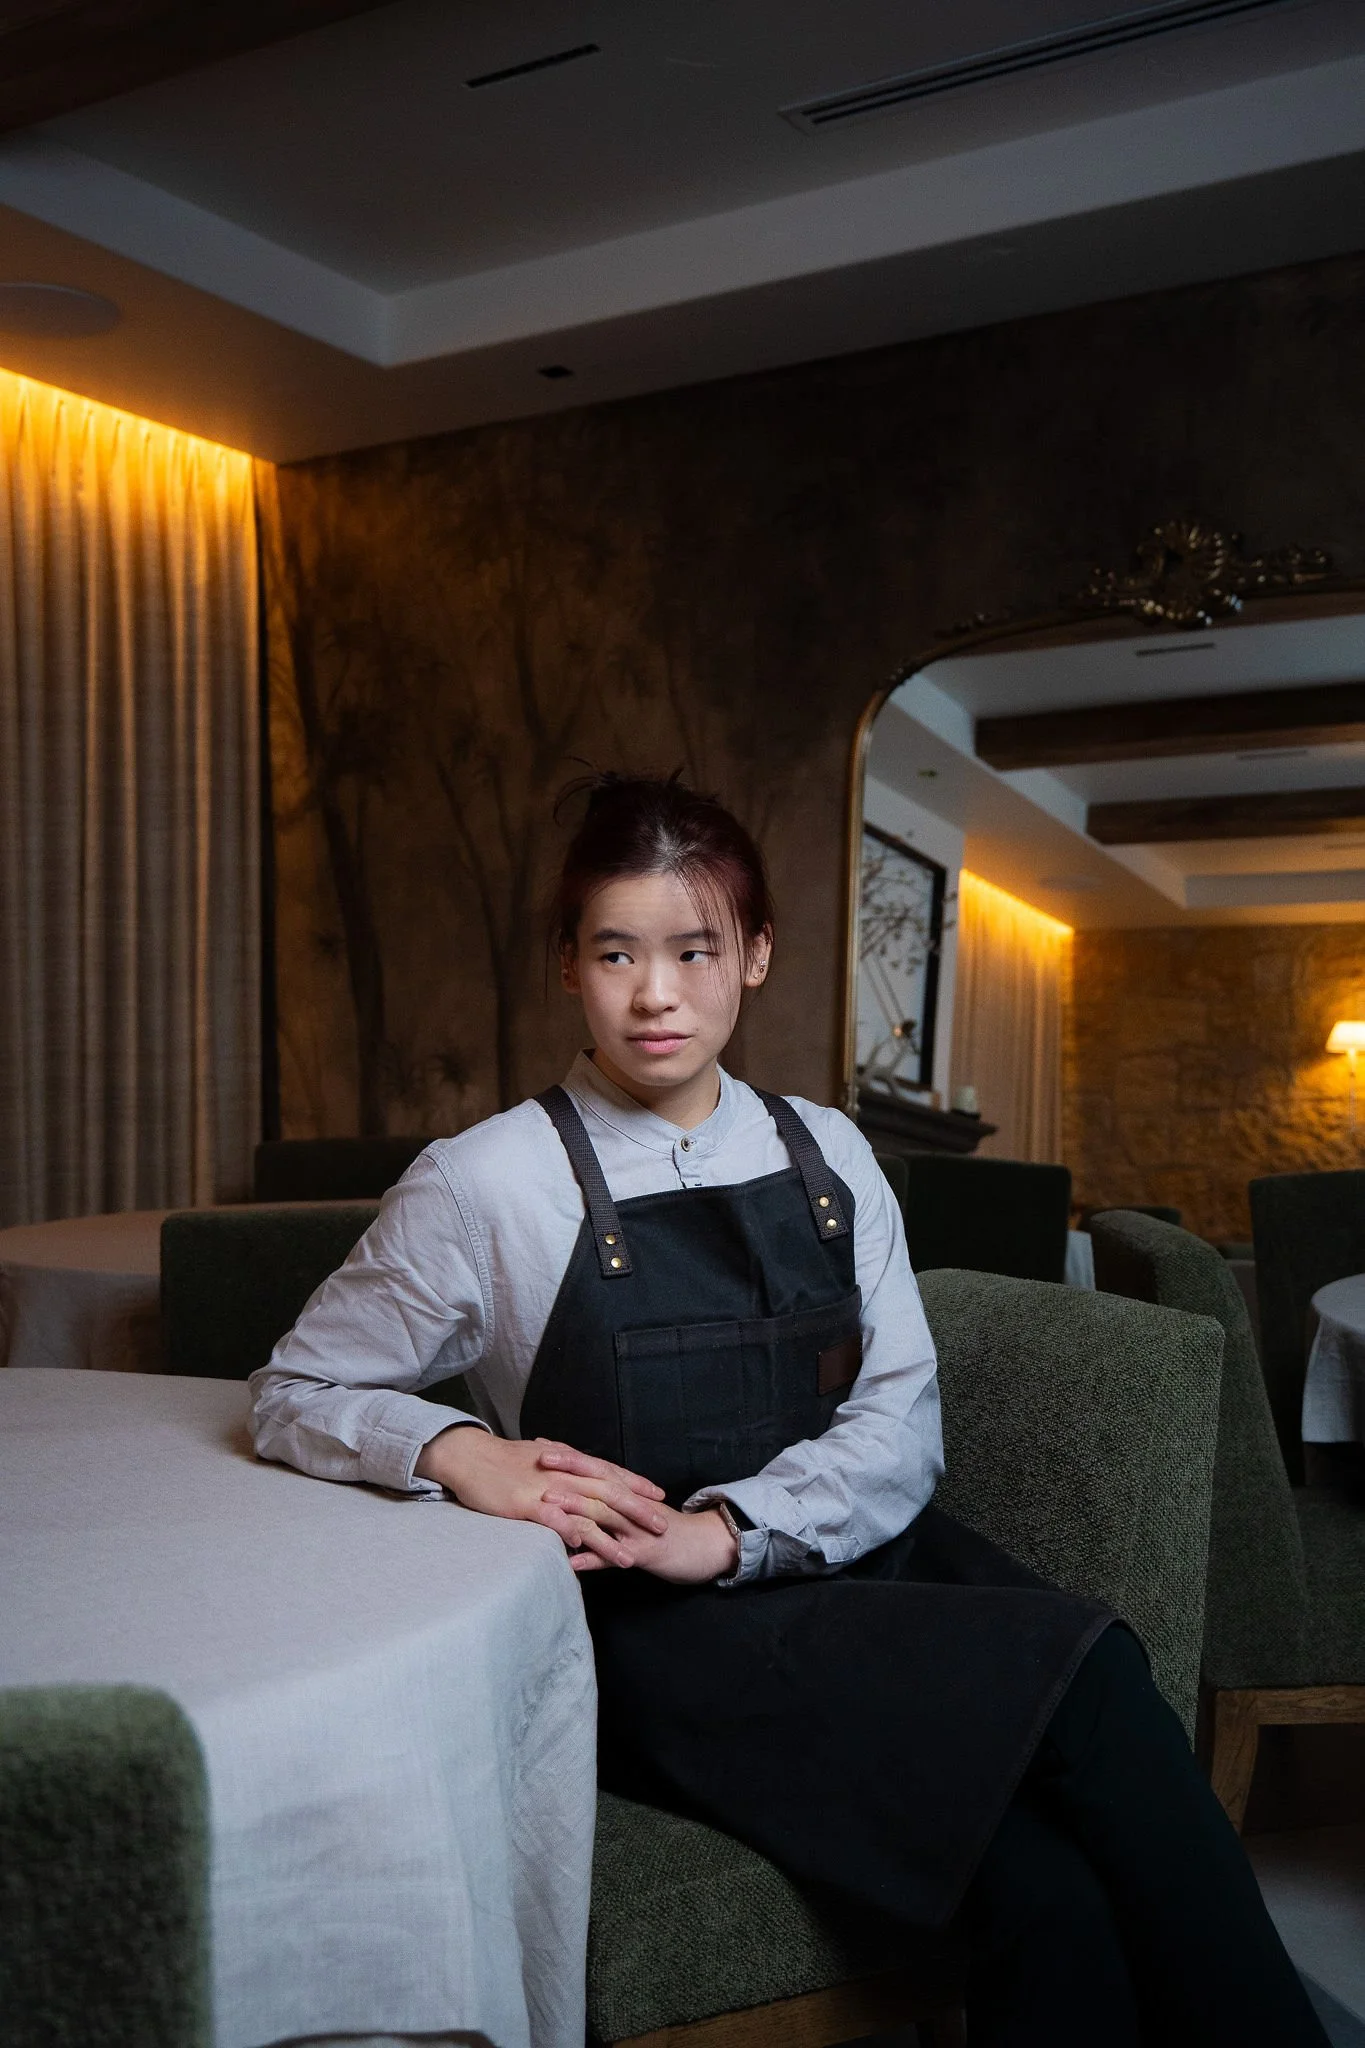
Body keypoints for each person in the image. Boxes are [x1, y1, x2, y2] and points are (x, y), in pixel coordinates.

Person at [250, 772, 1326, 2047]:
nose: (656, 993)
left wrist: (732, 1528)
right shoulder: (485, 1181)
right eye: (617, 951)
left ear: (754, 955)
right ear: (566, 963)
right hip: (652, 1633)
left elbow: (898, 1422)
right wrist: (455, 1444)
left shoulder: (828, 1152)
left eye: (695, 949)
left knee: (1056, 1866)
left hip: (844, 1554)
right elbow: (292, 1386)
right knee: (1088, 1694)